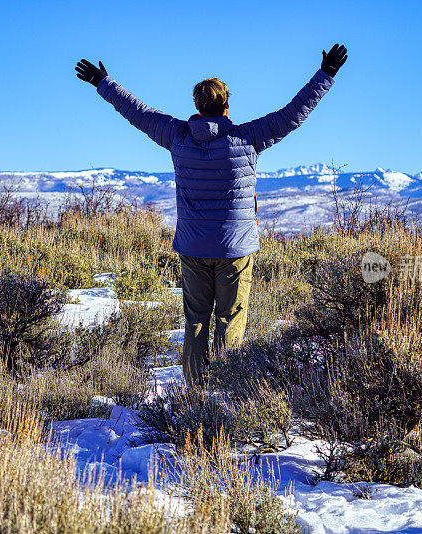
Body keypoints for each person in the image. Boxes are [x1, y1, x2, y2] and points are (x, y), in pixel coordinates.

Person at [75, 44, 348, 388]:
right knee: (230, 319)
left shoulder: (177, 136)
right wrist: (325, 75)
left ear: (197, 107)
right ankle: (227, 387)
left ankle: (196, 392)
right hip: (234, 251)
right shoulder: (247, 138)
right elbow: (293, 113)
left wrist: (103, 82)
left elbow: (137, 112)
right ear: (227, 105)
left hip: (192, 248)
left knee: (196, 321)